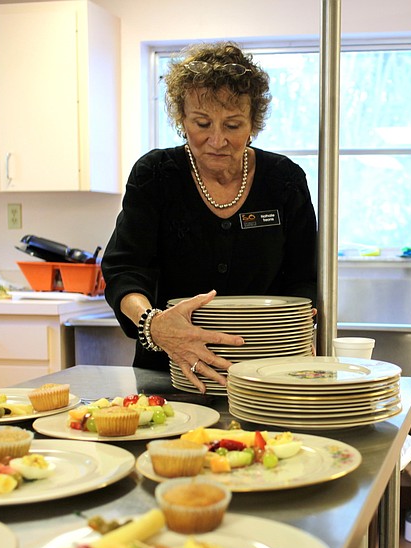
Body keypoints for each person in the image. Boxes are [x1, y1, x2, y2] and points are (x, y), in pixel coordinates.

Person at [101, 41, 318, 394]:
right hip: (169, 372)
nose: (217, 140)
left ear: (253, 123)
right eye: (202, 123)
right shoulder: (156, 175)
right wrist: (152, 324)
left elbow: (305, 279)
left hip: (265, 373)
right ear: (182, 119)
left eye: (233, 125)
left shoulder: (284, 181)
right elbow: (124, 270)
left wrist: (299, 332)